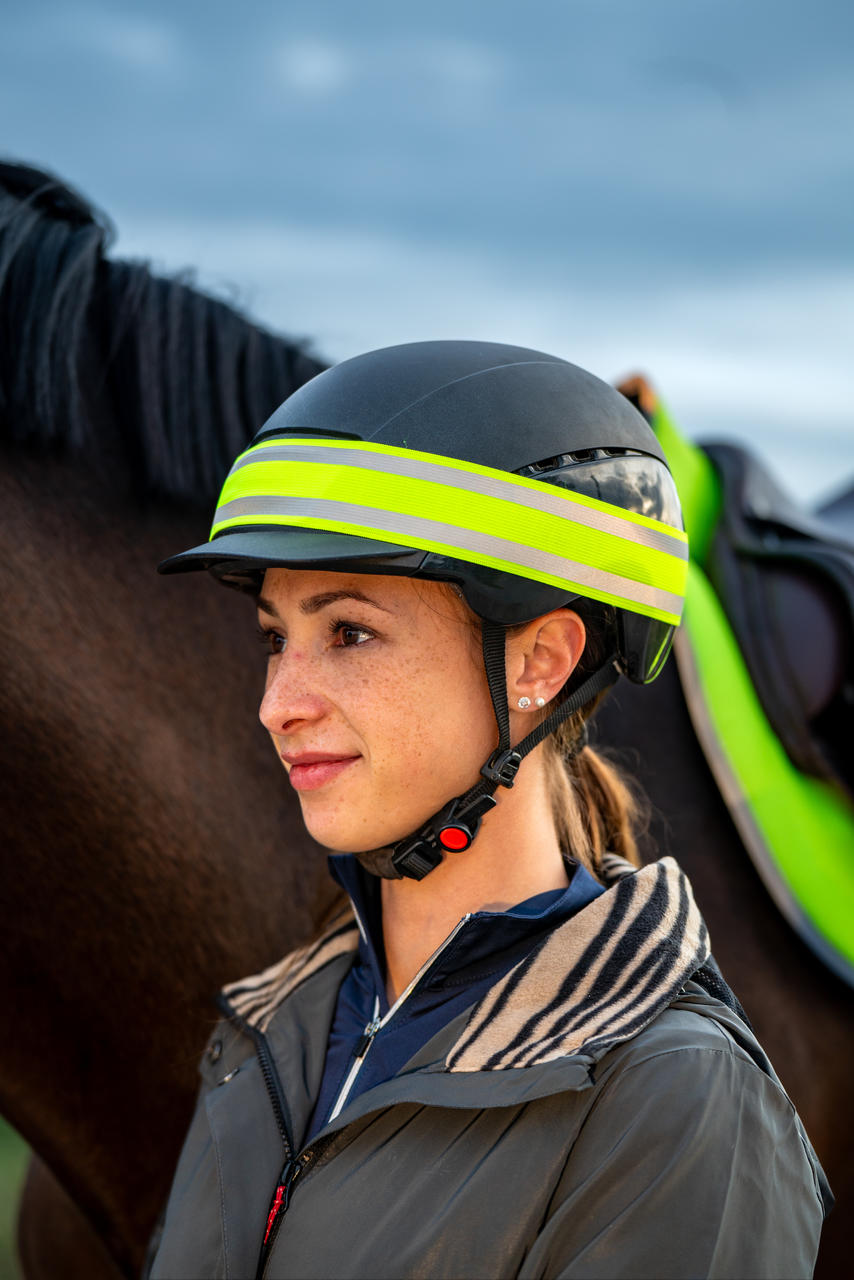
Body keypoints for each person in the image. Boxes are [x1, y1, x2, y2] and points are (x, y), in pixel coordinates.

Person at [148, 341, 829, 1280]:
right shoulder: (274, 1031)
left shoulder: (678, 1101)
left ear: (540, 662)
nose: (278, 704)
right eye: (277, 637)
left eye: (350, 632)